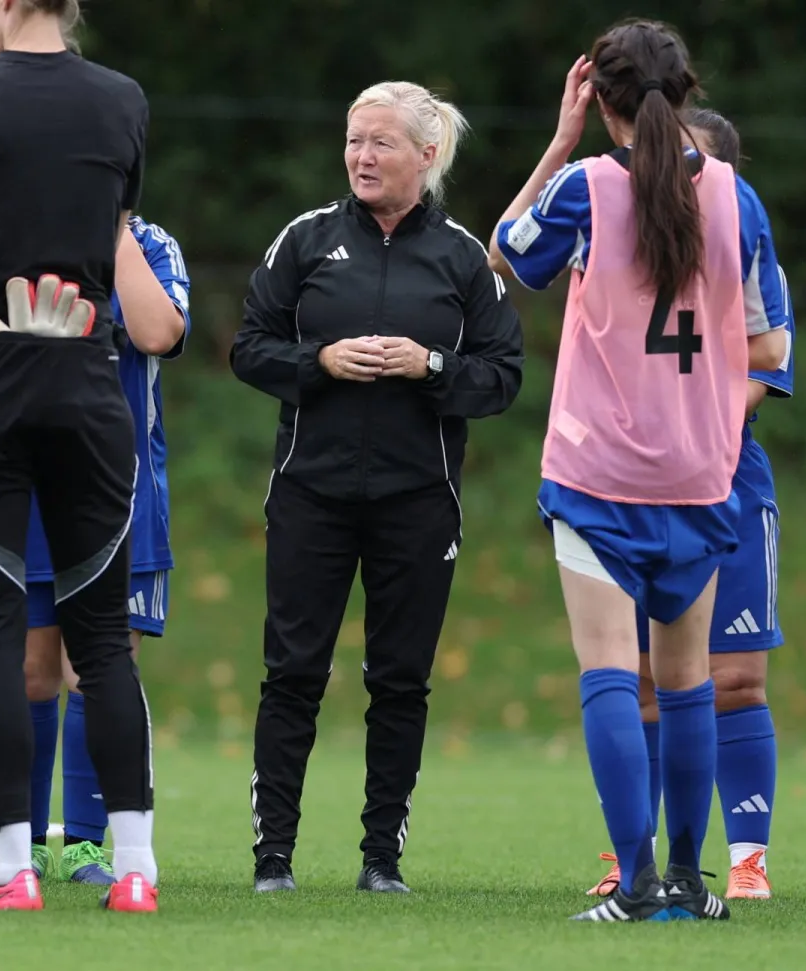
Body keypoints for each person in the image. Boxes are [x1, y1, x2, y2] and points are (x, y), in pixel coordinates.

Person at [489, 21, 790, 922]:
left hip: (600, 471)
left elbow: (510, 249)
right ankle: (694, 885)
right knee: (689, 677)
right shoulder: (737, 195)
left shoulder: (589, 184)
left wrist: (558, 140)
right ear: (687, 92)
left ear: (604, 99)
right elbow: (771, 342)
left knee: (612, 674)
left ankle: (638, 881)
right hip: (703, 473)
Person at [234, 81, 523, 896]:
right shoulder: (305, 240)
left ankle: (381, 859)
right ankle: (273, 858)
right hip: (310, 494)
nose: (362, 156)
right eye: (355, 140)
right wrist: (316, 363)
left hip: (418, 501)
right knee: (292, 672)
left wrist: (428, 366)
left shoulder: (466, 259)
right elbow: (248, 347)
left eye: (381, 142)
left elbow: (502, 378)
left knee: (398, 681)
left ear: (427, 156)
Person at [0, 0, 160, 914]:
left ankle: (11, 867)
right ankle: (136, 871)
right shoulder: (122, 100)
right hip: (87, 380)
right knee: (102, 640)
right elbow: (113, 224)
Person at [585, 107, 795, 903]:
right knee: (635, 678)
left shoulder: (746, 253)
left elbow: (761, 376)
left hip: (725, 484)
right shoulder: (621, 256)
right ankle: (632, 851)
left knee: (735, 678)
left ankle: (746, 855)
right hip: (631, 489)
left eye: (688, 161)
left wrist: (681, 424)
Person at [24, 212, 191, 885]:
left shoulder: (150, 243)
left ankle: (88, 844)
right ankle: (25, 840)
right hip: (27, 486)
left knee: (100, 665)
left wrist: (113, 226)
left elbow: (156, 331)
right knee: (30, 671)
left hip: (123, 495)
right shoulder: (22, 228)